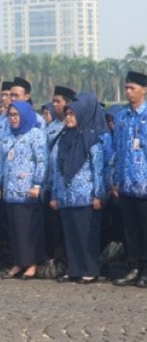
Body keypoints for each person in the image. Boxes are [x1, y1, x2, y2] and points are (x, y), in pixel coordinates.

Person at [50, 93, 107, 284]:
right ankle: (74, 268)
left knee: (86, 235)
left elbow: (98, 169)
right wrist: (56, 195)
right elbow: (57, 170)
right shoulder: (63, 138)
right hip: (67, 196)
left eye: (73, 114)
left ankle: (89, 269)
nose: (69, 118)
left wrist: (99, 194)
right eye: (67, 114)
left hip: (86, 196)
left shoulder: (91, 139)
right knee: (71, 234)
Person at [0, 101, 47, 279]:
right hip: (10, 189)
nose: (13, 119)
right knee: (15, 228)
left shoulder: (36, 134)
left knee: (28, 228)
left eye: (17, 115)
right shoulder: (6, 134)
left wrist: (37, 184)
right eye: (10, 115)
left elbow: (41, 161)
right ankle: (18, 262)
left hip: (27, 190)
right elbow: (1, 160)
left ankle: (31, 263)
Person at [113, 71, 147, 287]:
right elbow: (117, 151)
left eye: (132, 88)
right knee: (131, 231)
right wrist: (116, 180)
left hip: (144, 185)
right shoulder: (122, 117)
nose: (128, 92)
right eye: (126, 88)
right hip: (126, 184)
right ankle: (134, 267)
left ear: (144, 89)